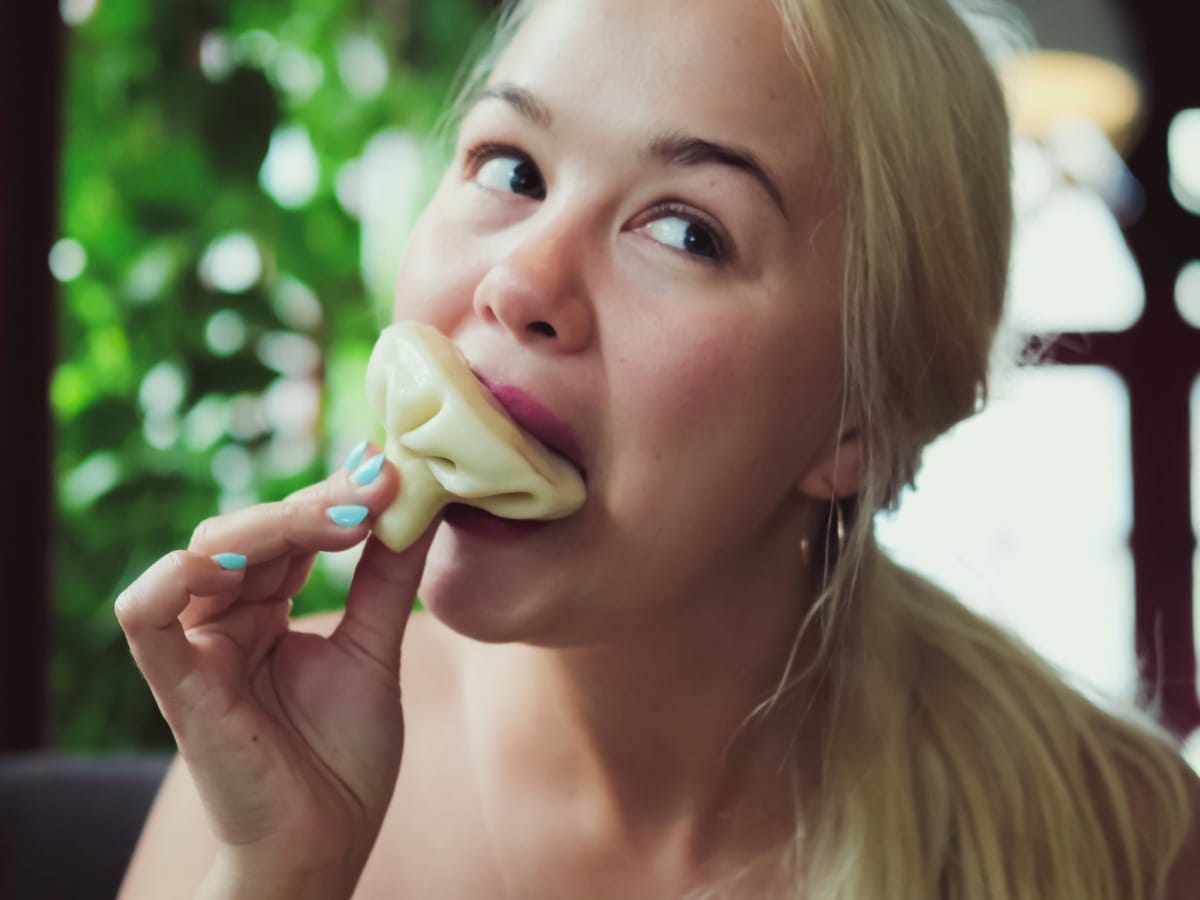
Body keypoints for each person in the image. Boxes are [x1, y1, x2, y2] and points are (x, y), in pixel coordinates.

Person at [114, 0, 1200, 897]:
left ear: (854, 427)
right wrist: (280, 873)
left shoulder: (1124, 842)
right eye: (511, 167)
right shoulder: (270, 761)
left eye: (688, 230)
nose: (521, 281)